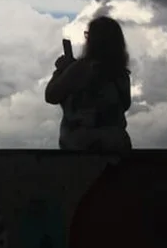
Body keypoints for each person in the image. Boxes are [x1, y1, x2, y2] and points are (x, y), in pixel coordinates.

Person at [44, 16, 132, 152]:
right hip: (116, 145)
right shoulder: (121, 74)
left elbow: (51, 95)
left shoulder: (81, 68)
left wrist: (61, 69)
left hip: (80, 147)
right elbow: (125, 105)